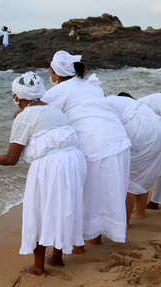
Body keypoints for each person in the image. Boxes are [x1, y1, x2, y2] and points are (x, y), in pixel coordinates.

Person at [0, 71, 86, 278]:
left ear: (17, 96)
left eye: (14, 95)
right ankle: (57, 258)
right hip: (74, 161)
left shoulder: (25, 117)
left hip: (50, 167)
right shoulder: (54, 109)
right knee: (61, 208)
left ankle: (38, 268)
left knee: (38, 213)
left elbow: (10, 160)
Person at [42, 51, 131, 250]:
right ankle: (95, 238)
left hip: (96, 146)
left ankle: (80, 244)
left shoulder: (59, 91)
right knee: (106, 193)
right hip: (118, 140)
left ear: (55, 74)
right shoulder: (89, 86)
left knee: (85, 196)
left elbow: (38, 112)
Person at [104, 92, 161, 224]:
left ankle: (124, 223)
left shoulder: (102, 104)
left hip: (142, 131)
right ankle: (139, 212)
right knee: (142, 173)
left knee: (127, 181)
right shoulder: (134, 105)